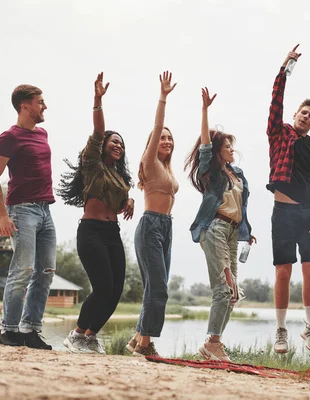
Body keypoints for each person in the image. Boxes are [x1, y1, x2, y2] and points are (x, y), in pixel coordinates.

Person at [58, 72, 134, 354]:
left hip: (112, 234)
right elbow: (99, 132)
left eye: (122, 144)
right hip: (91, 233)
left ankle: (89, 336)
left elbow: (123, 199)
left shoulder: (120, 178)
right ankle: (76, 335)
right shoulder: (92, 164)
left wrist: (131, 201)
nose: (118, 146)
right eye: (114, 142)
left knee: (115, 293)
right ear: (103, 146)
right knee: (102, 287)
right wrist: (97, 101)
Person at [266, 45, 310, 355]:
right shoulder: (280, 134)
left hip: (309, 215)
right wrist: (286, 67)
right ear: (295, 116)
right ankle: (280, 330)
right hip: (283, 212)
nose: (306, 117)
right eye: (303, 113)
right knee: (283, 271)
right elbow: (275, 101)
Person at [185, 87, 256, 362]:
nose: (231, 149)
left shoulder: (237, 174)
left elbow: (241, 207)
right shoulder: (211, 172)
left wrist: (247, 233)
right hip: (214, 229)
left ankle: (214, 343)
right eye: (227, 145)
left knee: (233, 293)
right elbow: (205, 145)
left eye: (231, 145)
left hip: (233, 232)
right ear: (218, 150)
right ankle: (212, 343)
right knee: (224, 289)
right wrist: (205, 110)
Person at [0, 84, 56, 350]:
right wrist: (2, 215)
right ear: (25, 106)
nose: (44, 106)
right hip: (22, 210)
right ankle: (9, 329)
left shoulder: (43, 134)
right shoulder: (9, 138)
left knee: (46, 272)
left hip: (45, 211)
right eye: (40, 101)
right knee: (23, 270)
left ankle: (30, 329)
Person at [126, 71, 178, 357]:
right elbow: (157, 126)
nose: (166, 141)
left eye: (171, 138)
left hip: (166, 227)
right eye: (162, 138)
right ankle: (145, 346)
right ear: (153, 142)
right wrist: (163, 97)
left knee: (155, 288)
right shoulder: (150, 161)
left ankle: (136, 338)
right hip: (150, 227)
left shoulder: (168, 169)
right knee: (158, 289)